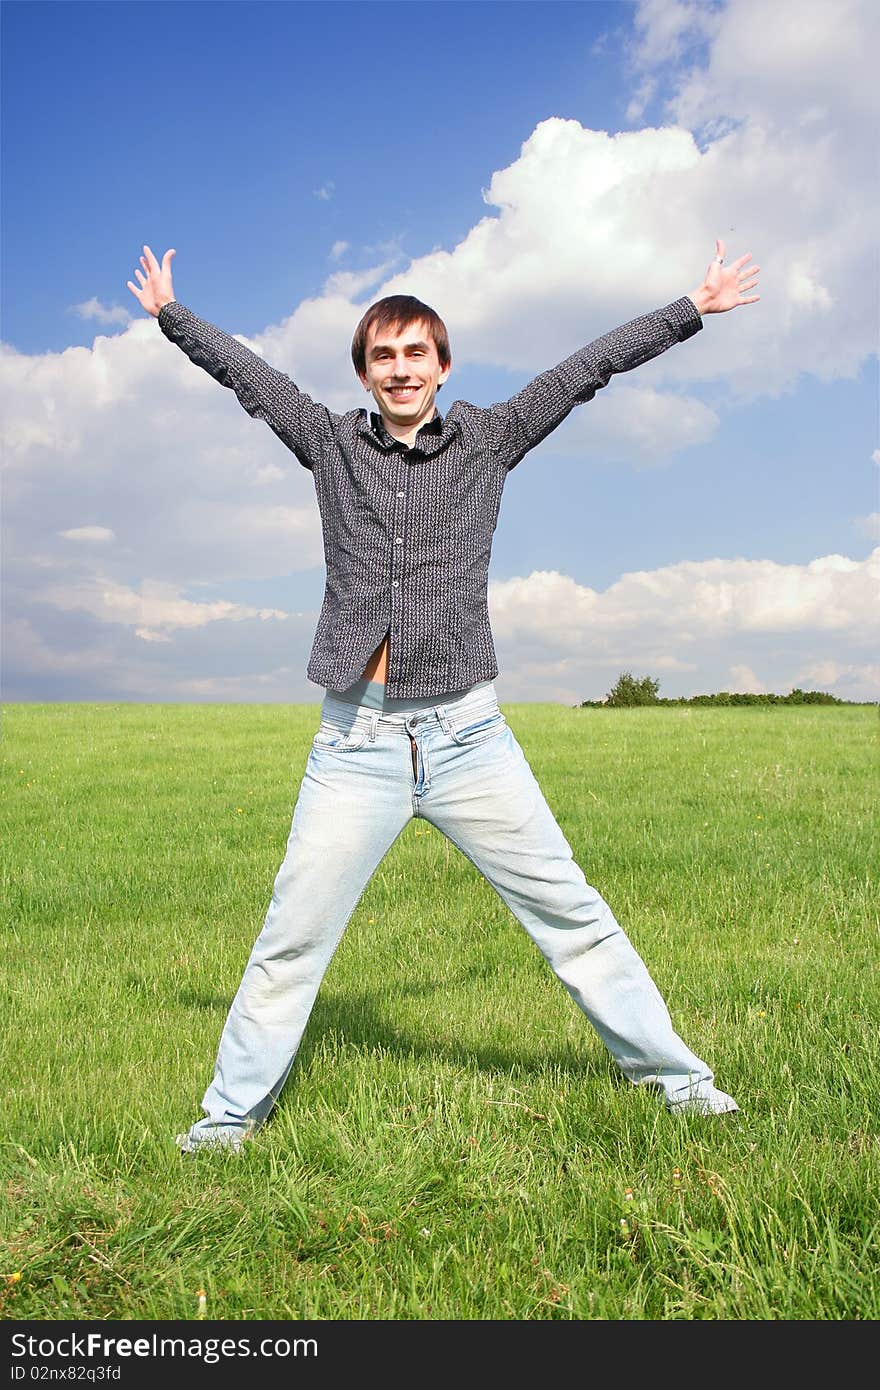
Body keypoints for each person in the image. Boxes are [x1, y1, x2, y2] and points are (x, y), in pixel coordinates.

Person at [127, 238, 760, 1152]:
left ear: (442, 365)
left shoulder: (490, 439)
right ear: (365, 373)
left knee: (572, 916)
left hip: (470, 740)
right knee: (291, 942)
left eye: (415, 352)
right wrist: (173, 318)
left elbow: (585, 370)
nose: (400, 369)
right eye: (382, 356)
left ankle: (684, 1086)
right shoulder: (329, 444)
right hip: (356, 745)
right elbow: (251, 380)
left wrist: (691, 308)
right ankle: (226, 1123)